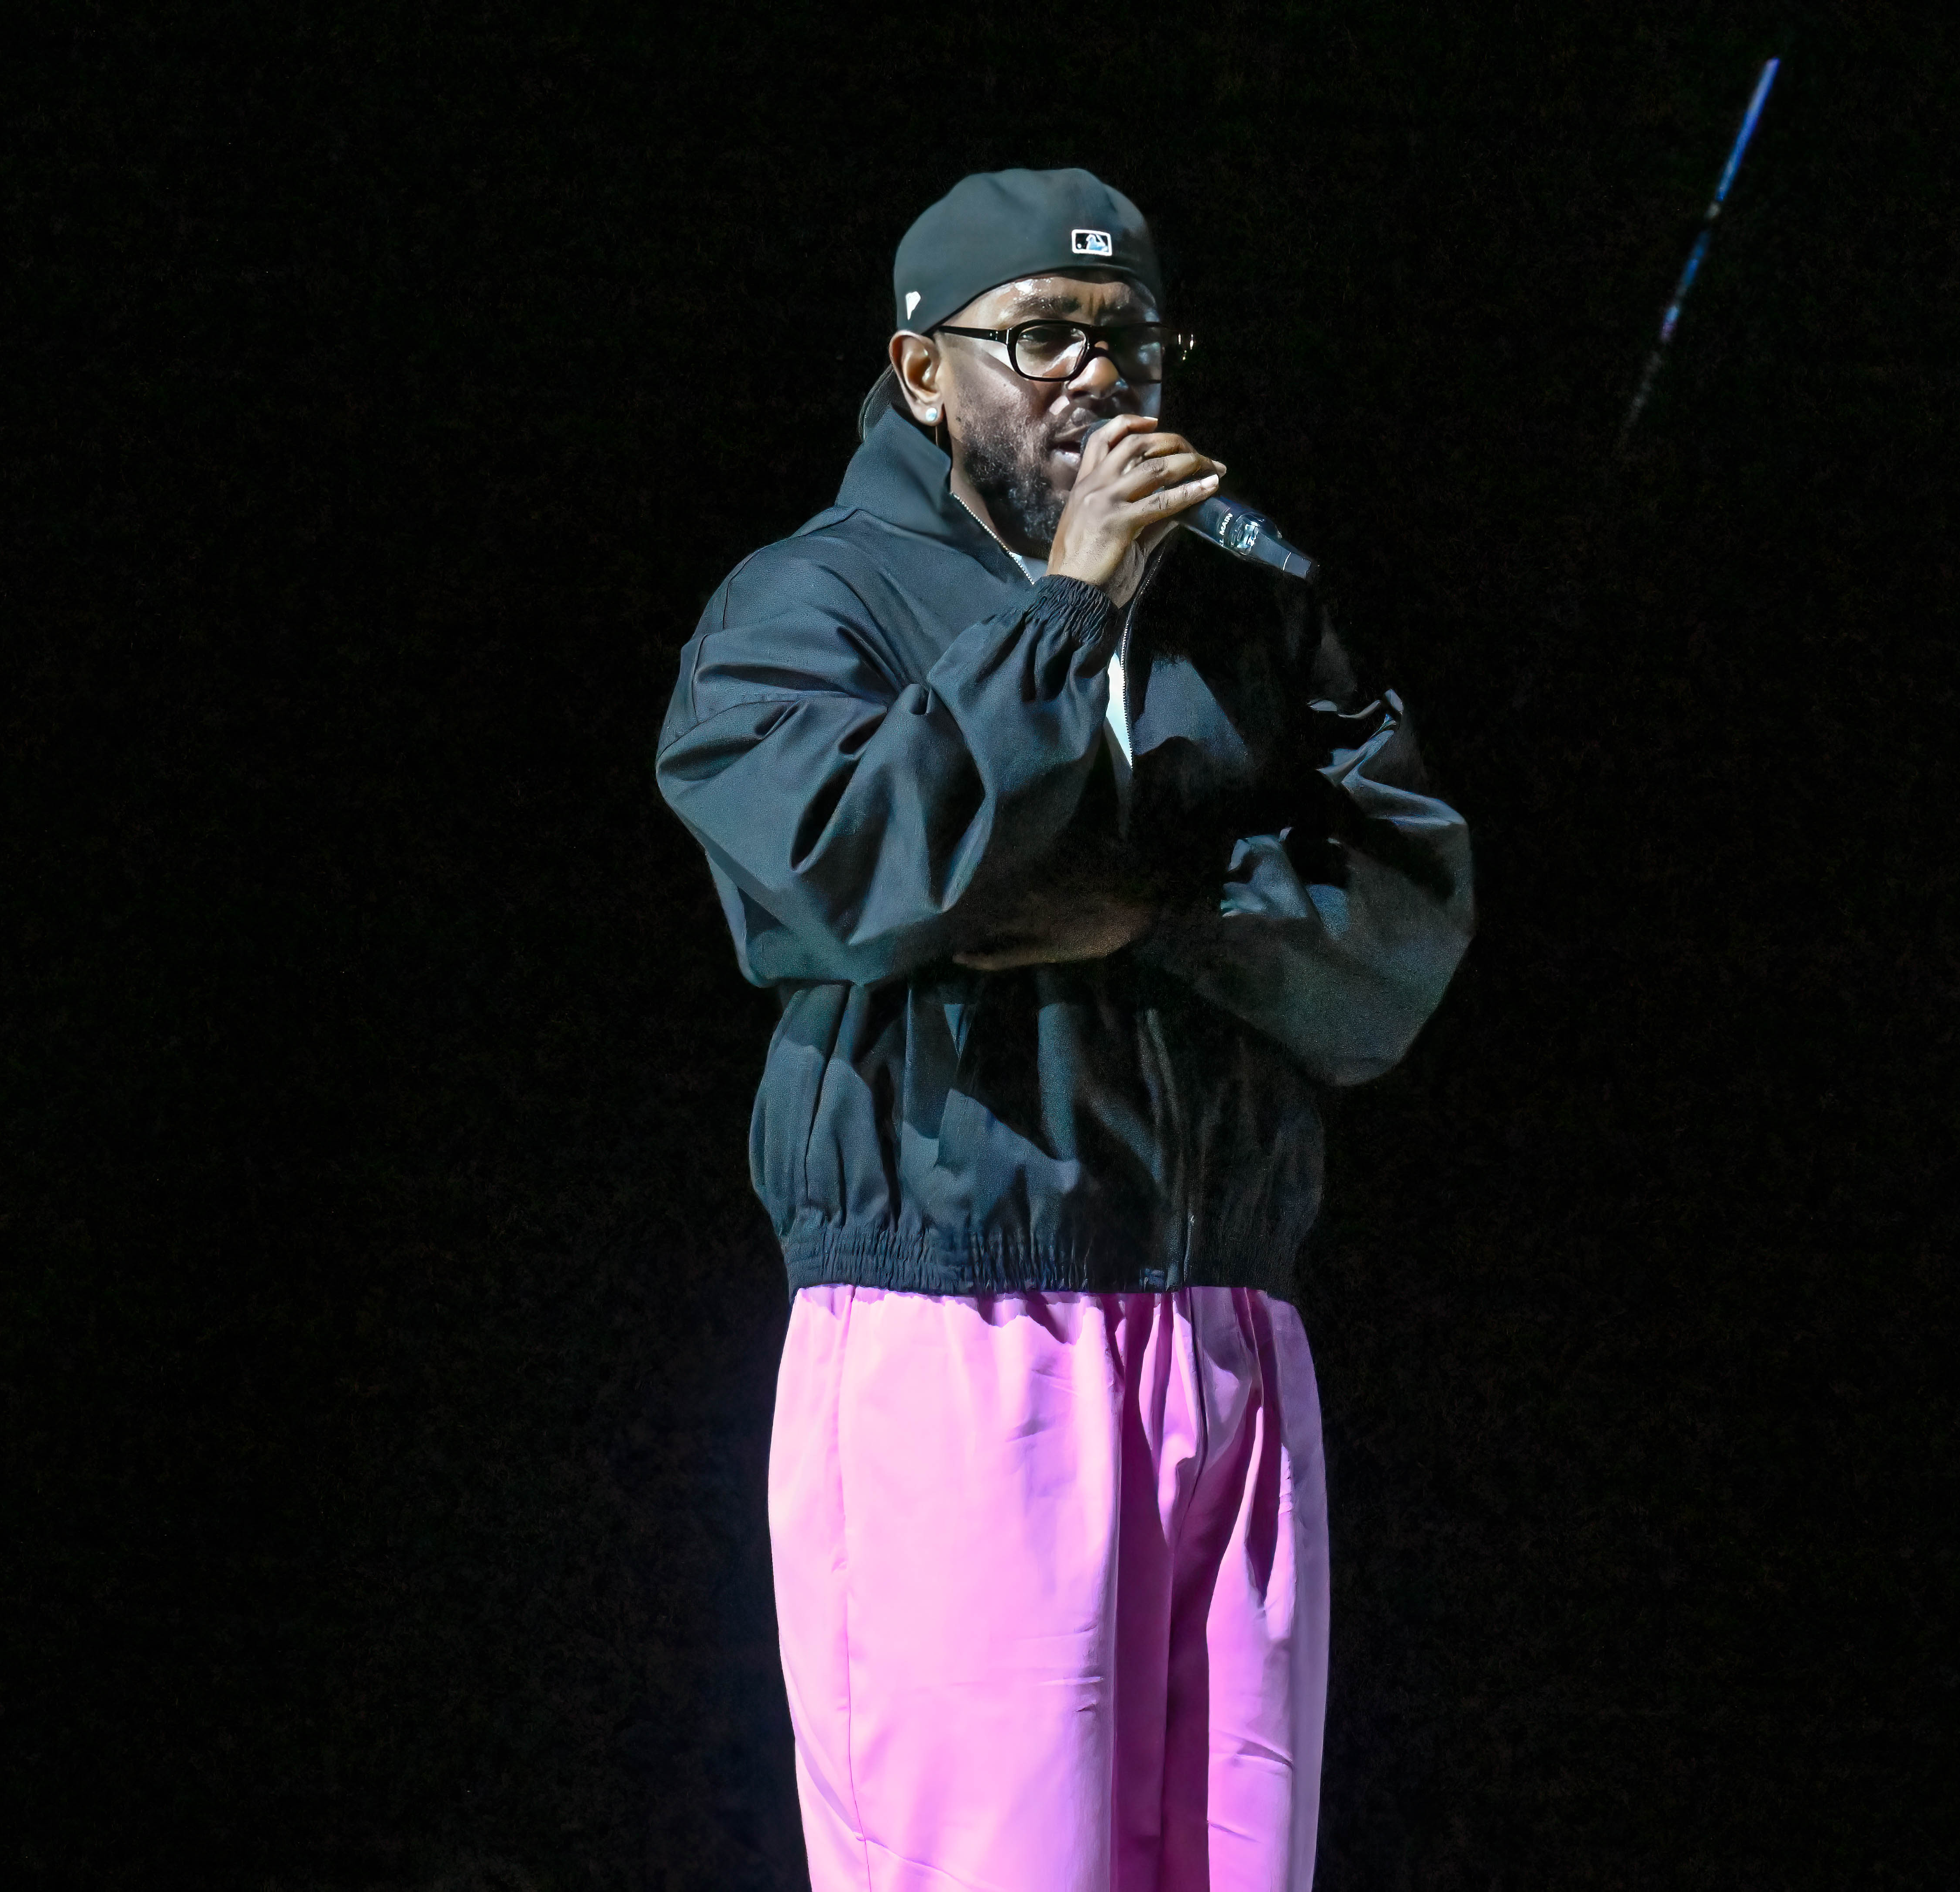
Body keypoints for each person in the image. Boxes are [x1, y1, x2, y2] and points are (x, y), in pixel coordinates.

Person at [654, 166, 1474, 1891]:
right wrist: (1068, 611)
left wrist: (1166, 917)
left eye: (1131, 344)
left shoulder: (1254, 603)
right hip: (961, 1319)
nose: (1095, 382)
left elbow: (1396, 934)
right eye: (1040, 338)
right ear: (920, 369)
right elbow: (858, 874)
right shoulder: (808, 607)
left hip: (1224, 1317)